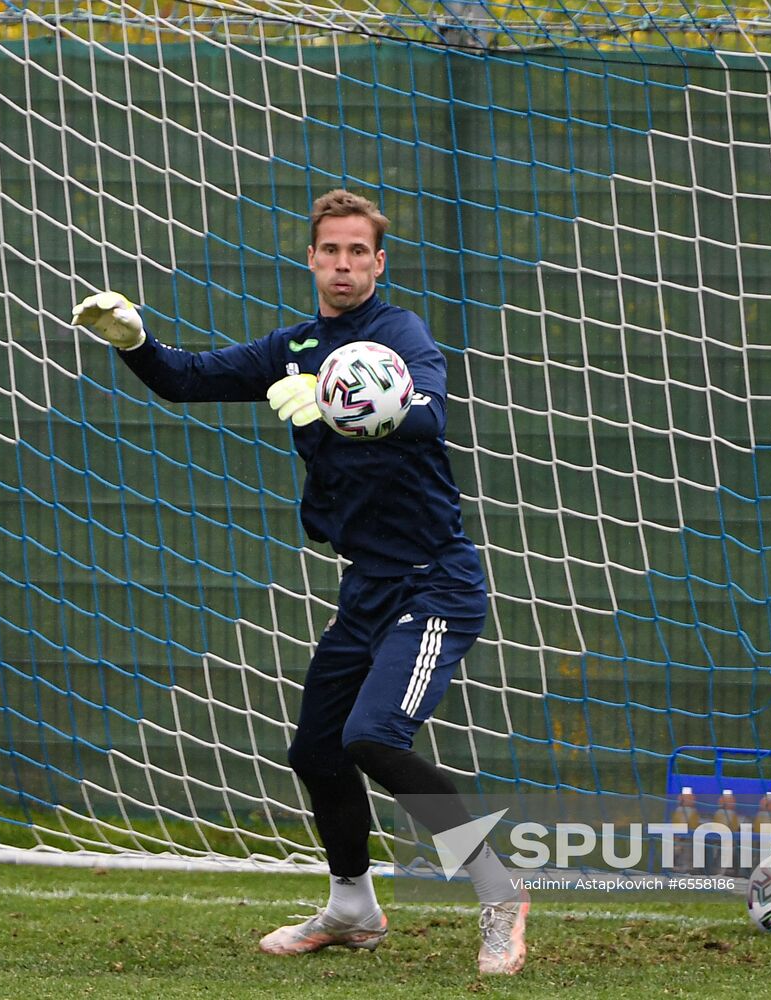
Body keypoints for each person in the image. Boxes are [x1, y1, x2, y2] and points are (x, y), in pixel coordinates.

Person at [72, 189, 528, 976]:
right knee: (317, 749)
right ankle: (352, 906)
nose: (344, 264)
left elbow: (426, 414)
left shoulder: (400, 335)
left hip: (433, 585)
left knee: (371, 737)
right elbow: (187, 380)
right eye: (332, 251)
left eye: (359, 252)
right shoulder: (297, 344)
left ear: (378, 263)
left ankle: (500, 887)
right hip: (367, 589)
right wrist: (136, 341)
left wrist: (334, 399)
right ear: (312, 260)